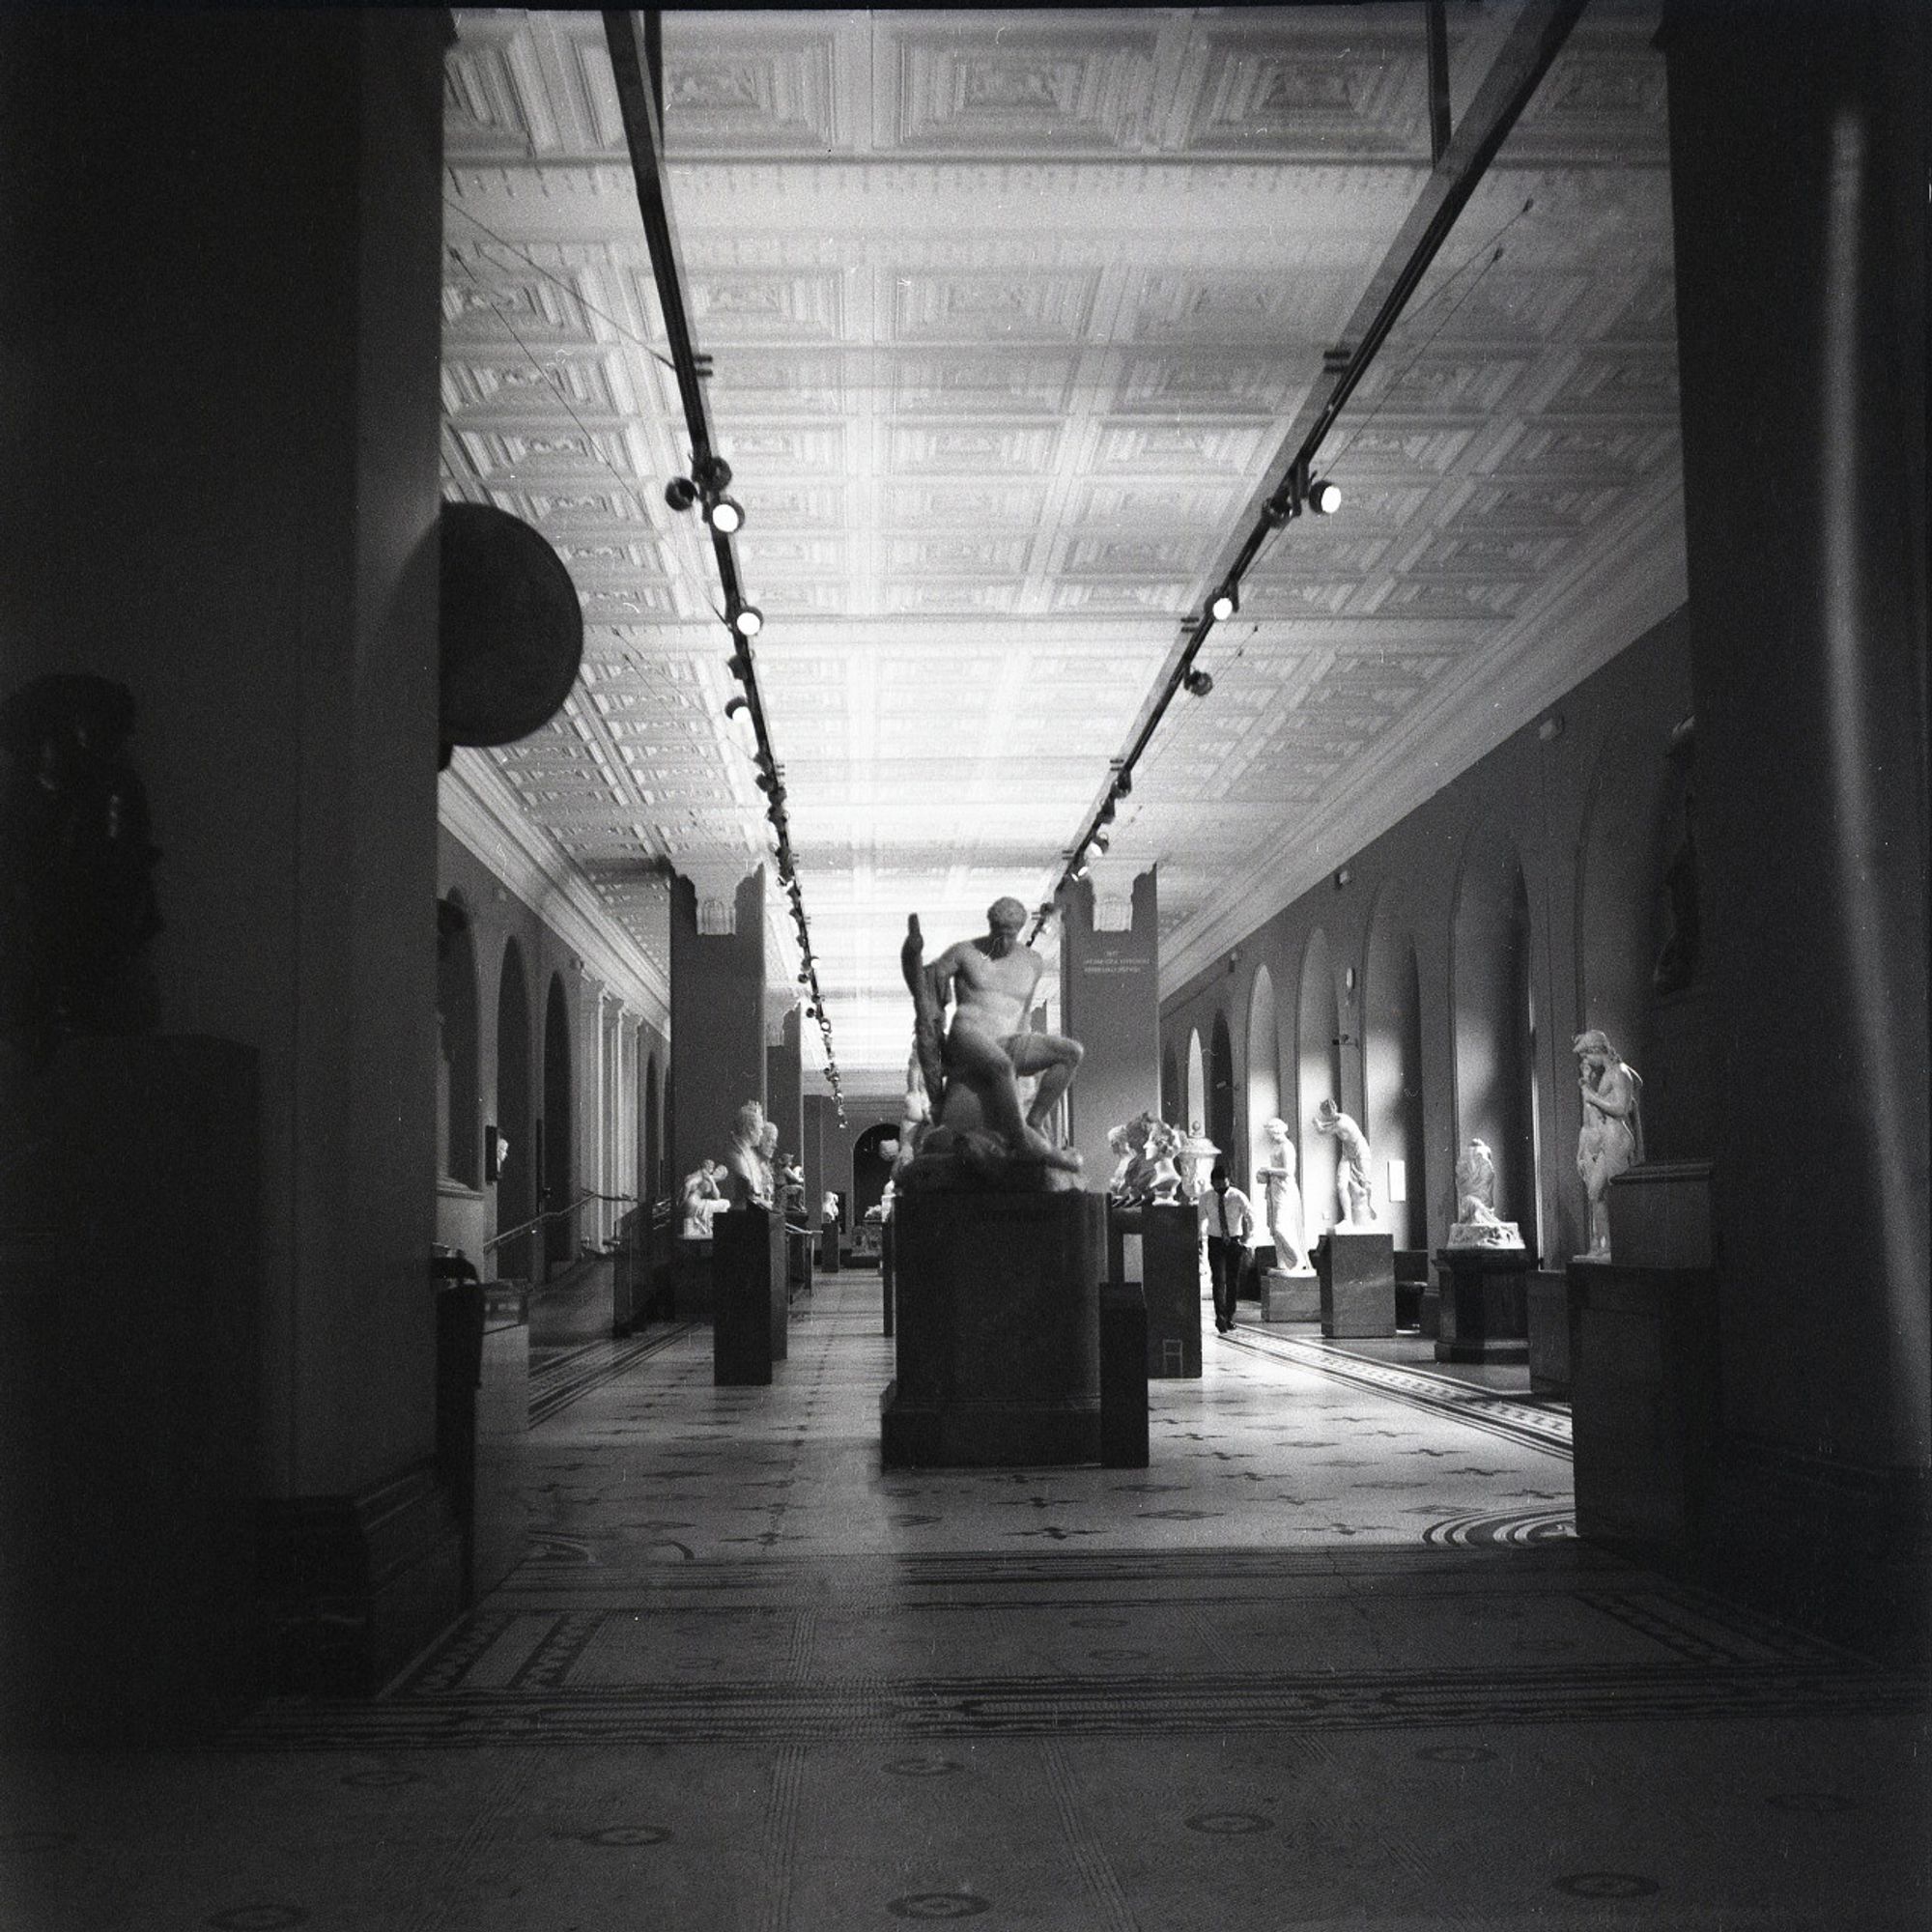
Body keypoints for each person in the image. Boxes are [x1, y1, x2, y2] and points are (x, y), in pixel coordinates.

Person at [918, 896, 1083, 1167]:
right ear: (990, 927)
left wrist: (1027, 1047)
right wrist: (929, 978)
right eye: (998, 934)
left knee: (1071, 1053)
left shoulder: (1032, 961)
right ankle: (1020, 1139)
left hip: (1010, 1039)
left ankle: (1035, 1119)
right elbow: (931, 978)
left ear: (1018, 931)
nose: (1003, 942)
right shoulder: (965, 952)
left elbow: (1024, 1010)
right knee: (1003, 1067)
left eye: (1010, 935)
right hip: (968, 1035)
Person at [1575, 1029, 1642, 1258]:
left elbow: (1622, 1108)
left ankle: (1623, 1246)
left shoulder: (1619, 1073)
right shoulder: (1611, 1071)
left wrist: (1593, 1097)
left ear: (1596, 1051)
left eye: (1586, 1056)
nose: (1586, 1061)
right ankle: (1606, 1246)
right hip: (1607, 1141)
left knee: (1619, 1196)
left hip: (1617, 1139)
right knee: (1595, 1192)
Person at [1198, 1161, 1255, 1335]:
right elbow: (1199, 1219)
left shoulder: (1238, 1196)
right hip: (1215, 1241)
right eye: (1216, 1183)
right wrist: (1199, 1239)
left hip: (1234, 1241)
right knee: (1218, 1279)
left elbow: (1251, 1217)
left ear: (1228, 1180)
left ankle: (1230, 1315)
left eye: (1222, 1182)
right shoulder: (1207, 1197)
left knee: (1232, 1280)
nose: (1219, 1186)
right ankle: (1220, 1316)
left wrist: (1248, 1239)